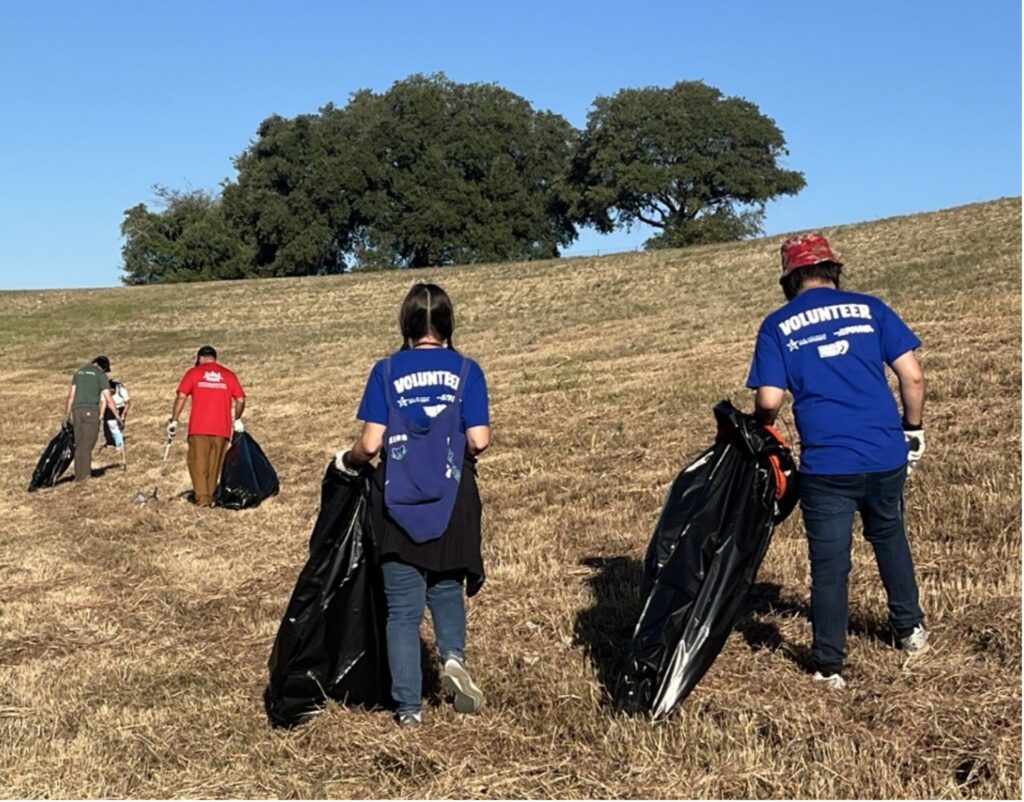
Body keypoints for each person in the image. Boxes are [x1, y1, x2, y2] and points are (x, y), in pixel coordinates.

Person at [746, 233, 928, 690]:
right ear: (833, 270)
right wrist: (913, 429)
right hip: (885, 454)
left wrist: (761, 424)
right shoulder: (872, 309)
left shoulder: (777, 325)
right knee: (889, 537)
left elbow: (768, 399)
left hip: (827, 465)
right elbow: (913, 375)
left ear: (789, 278)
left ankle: (829, 663)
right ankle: (909, 630)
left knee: (830, 563)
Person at [336, 283, 491, 728]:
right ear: (446, 324)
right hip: (453, 496)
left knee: (402, 609)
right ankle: (453, 658)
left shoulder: (386, 370)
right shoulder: (467, 370)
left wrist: (349, 461)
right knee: (445, 586)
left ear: (406, 323)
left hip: (397, 497)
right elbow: (479, 440)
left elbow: (370, 443)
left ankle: (408, 711)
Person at [168, 345, 245, 507]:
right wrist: (237, 419)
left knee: (198, 462)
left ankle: (202, 498)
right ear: (215, 358)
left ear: (200, 358)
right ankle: (209, 496)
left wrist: (174, 420)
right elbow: (240, 399)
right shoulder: (228, 375)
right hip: (222, 428)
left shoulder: (193, 373)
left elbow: (181, 397)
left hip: (199, 427)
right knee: (214, 463)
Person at [64, 355, 121, 482]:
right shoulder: (100, 375)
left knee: (79, 444)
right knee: (88, 443)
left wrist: (66, 415)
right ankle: (84, 477)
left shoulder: (78, 373)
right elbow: (108, 398)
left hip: (76, 411)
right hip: (91, 411)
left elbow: (71, 396)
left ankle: (79, 474)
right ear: (104, 367)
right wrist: (117, 416)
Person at [102, 369, 131, 453]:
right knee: (109, 426)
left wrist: (123, 414)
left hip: (120, 408)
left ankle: (118, 443)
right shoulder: (105, 392)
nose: (111, 393)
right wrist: (101, 415)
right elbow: (104, 403)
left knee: (118, 427)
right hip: (109, 409)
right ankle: (111, 442)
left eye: (112, 392)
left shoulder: (122, 391)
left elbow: (127, 403)